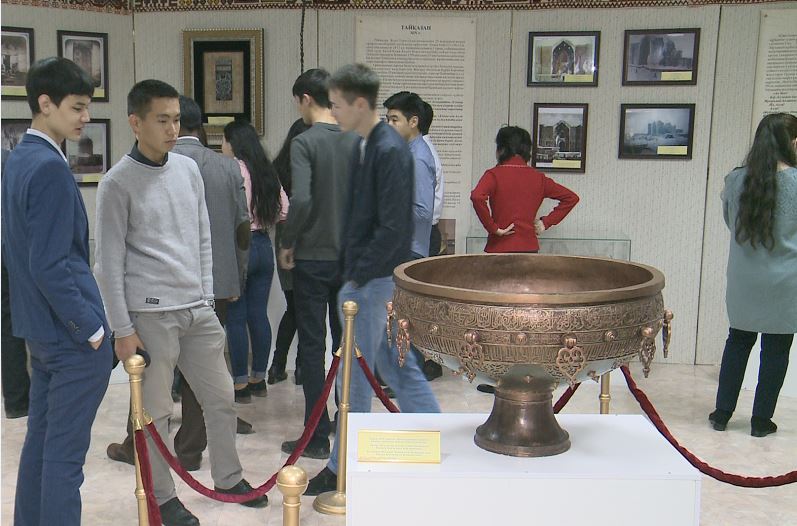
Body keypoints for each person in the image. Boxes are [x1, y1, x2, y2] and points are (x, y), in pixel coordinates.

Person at [95, 80, 267, 526]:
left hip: (196, 308)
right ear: (136, 123)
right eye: (162, 120)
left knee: (222, 397)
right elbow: (108, 264)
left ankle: (229, 478)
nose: (172, 129)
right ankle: (163, 499)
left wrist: (205, 295)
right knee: (157, 414)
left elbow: (203, 236)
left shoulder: (188, 170)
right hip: (150, 314)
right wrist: (122, 329)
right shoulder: (116, 183)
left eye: (176, 119)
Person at [304, 64, 441, 496]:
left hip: (375, 280)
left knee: (358, 376)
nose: (333, 112)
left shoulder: (389, 149)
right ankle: (428, 439)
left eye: (338, 105)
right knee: (392, 367)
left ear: (360, 104)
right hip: (369, 277)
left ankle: (340, 465)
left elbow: (394, 228)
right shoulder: (372, 145)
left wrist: (357, 276)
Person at [1, 56, 112, 526]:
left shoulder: (17, 158)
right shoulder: (47, 166)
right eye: (77, 107)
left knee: (41, 448)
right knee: (64, 460)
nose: (86, 116)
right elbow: (48, 264)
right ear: (45, 104)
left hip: (40, 332)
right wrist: (90, 329)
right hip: (69, 337)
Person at [277, 68, 357, 460]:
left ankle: (316, 435)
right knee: (347, 345)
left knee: (312, 347)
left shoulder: (305, 141)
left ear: (306, 99)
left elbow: (303, 199)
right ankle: (349, 427)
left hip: (312, 256)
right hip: (349, 258)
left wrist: (288, 241)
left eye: (298, 103)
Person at [709, 112, 797, 438]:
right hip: (786, 280)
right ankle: (761, 421)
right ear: (792, 143)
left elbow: (730, 223)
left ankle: (722, 413)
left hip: (744, 277)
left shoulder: (735, 180)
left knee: (738, 341)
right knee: (776, 349)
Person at [221, 120, 288, 404]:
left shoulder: (231, 169)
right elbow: (284, 210)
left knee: (236, 316)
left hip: (239, 246)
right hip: (263, 245)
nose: (222, 147)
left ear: (232, 143)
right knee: (258, 314)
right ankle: (258, 379)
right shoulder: (265, 170)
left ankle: (240, 384)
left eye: (224, 142)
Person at [470, 126, 579, 253]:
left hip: (499, 246)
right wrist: (545, 223)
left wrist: (493, 228)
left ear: (502, 149)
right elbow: (571, 198)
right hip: (529, 247)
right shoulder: (539, 178)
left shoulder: (493, 175)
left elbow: (477, 197)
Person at [269, 118, 310, 386]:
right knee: (306, 308)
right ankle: (301, 368)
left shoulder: (277, 168)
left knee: (294, 306)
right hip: (307, 238)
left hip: (284, 236)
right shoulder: (312, 165)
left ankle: (278, 365)